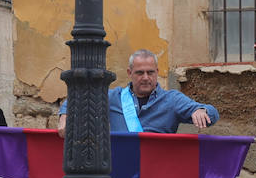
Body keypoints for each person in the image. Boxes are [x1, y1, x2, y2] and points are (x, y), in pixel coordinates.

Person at [57, 49, 218, 135]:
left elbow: (212, 115)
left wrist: (202, 111)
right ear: (129, 73)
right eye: (140, 73)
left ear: (157, 72)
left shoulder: (172, 100)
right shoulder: (114, 97)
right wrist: (65, 118)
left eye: (150, 72)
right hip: (120, 173)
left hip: (156, 177)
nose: (146, 78)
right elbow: (77, 99)